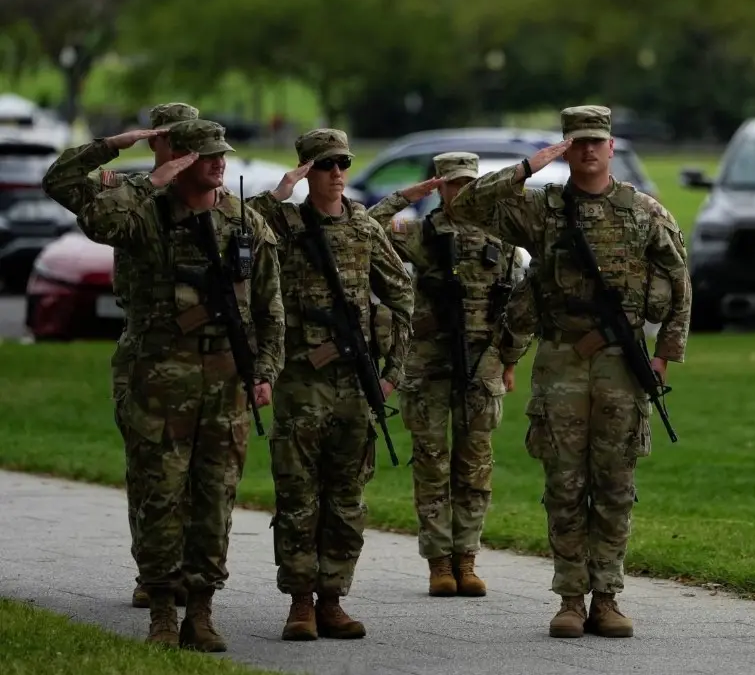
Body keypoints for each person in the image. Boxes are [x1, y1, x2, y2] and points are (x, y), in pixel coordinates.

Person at [447, 105, 691, 639]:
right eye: (577, 142)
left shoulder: (643, 210)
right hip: (560, 359)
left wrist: (664, 354)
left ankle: (607, 596)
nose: (587, 151)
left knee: (615, 482)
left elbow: (678, 278)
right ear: (565, 147)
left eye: (596, 142)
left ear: (610, 147)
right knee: (563, 482)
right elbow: (465, 207)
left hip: (621, 365)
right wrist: (524, 169)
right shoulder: (542, 209)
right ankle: (570, 599)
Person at [76, 119, 285, 652]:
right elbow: (83, 204)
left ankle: (202, 609)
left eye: (222, 154)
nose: (220, 163)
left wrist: (264, 372)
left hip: (226, 388)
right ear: (185, 160)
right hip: (160, 384)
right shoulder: (146, 215)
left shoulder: (245, 222)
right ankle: (163, 611)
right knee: (160, 498)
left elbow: (269, 308)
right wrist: (144, 171)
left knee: (215, 501)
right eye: (208, 155)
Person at [250, 129, 415, 642]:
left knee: (347, 497)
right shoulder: (282, 224)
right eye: (325, 165)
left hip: (353, 383)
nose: (337, 173)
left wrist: (392, 372)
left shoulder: (364, 229)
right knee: (299, 494)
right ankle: (300, 601)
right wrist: (281, 191)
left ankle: (332, 598)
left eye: (343, 163)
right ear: (306, 171)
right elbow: (238, 219)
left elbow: (403, 296)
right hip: (301, 380)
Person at [41, 102, 199, 609]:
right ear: (156, 140)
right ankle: (154, 572)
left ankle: (194, 571)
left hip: (204, 352)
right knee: (152, 468)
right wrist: (112, 146)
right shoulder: (127, 190)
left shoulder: (211, 197)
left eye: (189, 139)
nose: (183, 149)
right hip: (147, 351)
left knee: (204, 469)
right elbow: (59, 181)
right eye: (172, 137)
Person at [367, 153, 534, 597]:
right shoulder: (423, 234)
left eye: (466, 184)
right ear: (438, 186)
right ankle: (439, 561)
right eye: (450, 184)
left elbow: (518, 306)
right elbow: (364, 227)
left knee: (475, 465)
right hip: (429, 365)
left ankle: (468, 558)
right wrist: (406, 196)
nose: (459, 192)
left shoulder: (503, 237)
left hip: (482, 367)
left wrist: (511, 361)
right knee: (431, 462)